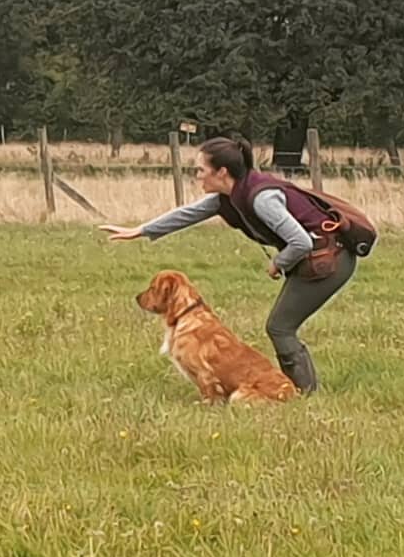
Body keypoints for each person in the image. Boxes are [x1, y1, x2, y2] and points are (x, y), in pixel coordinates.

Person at [99, 136, 356, 393]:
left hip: (330, 260)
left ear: (222, 172)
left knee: (280, 326)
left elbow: (300, 241)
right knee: (280, 326)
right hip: (314, 260)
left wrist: (278, 262)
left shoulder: (261, 199)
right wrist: (140, 230)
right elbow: (186, 215)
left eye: (201, 170)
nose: (197, 176)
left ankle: (303, 395)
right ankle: (295, 392)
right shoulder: (229, 196)